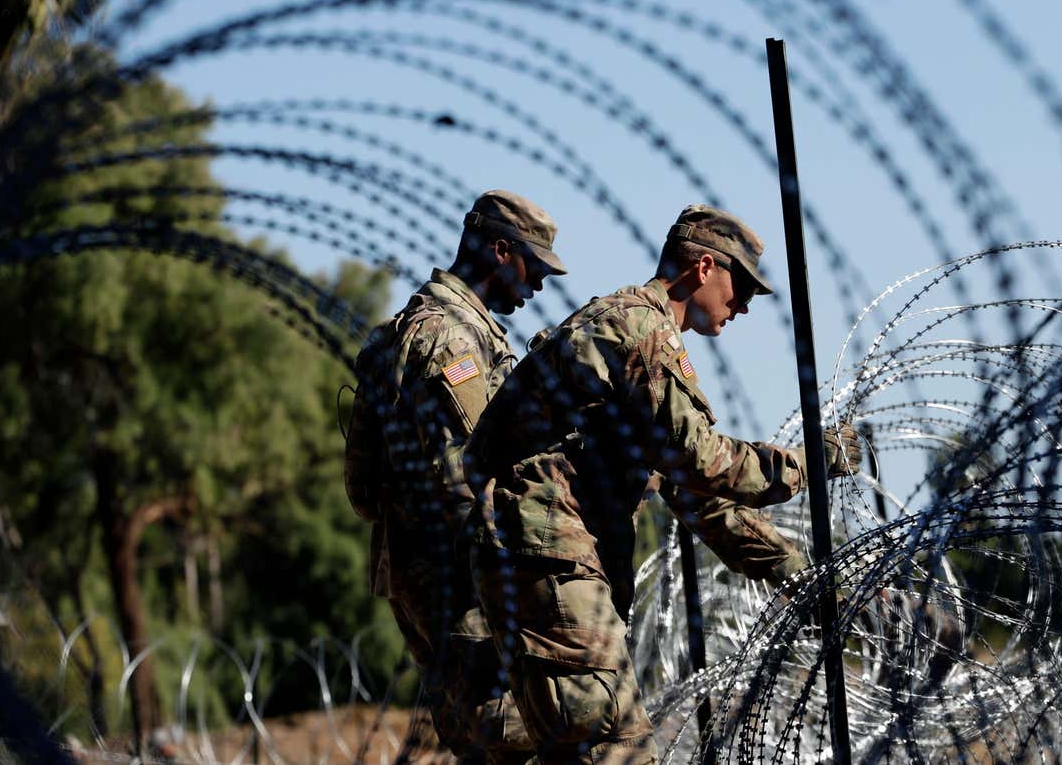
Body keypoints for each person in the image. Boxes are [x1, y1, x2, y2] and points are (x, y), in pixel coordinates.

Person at [464, 204, 863, 762]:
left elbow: (699, 497)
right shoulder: (640, 330)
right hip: (550, 562)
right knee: (616, 750)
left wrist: (804, 581)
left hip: (540, 563)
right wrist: (807, 463)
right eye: (740, 287)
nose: (744, 306)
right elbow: (705, 462)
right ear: (704, 268)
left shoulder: (635, 334)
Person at [343, 189, 567, 763]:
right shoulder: (450, 338)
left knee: (477, 743)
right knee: (528, 734)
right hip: (464, 583)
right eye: (533, 267)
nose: (538, 285)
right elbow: (466, 482)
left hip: (421, 575)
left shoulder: (398, 330)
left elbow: (363, 491)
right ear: (499, 251)